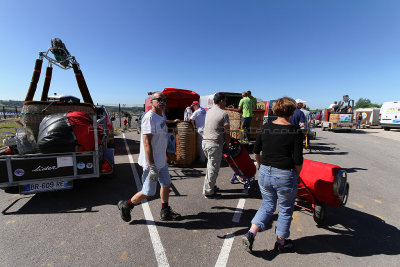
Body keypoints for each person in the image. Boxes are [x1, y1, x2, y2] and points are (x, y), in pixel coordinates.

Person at [242, 96, 303, 254]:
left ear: (276, 110)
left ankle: (251, 233)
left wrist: (260, 164)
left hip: (265, 172)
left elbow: (256, 151)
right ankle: (280, 243)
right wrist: (296, 176)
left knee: (267, 205)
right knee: (285, 209)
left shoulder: (266, 127)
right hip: (284, 174)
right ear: (292, 111)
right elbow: (297, 160)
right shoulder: (295, 131)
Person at [118, 92, 182, 222]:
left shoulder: (161, 115)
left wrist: (173, 123)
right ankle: (126, 205)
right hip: (152, 163)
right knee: (148, 192)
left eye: (164, 99)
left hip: (161, 161)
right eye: (159, 99)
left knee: (166, 184)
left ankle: (165, 211)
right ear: (152, 102)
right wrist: (152, 165)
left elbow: (163, 123)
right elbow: (147, 143)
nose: (162, 101)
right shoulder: (149, 118)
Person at [202, 92, 230, 199]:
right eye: (225, 101)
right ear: (221, 101)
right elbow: (227, 132)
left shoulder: (208, 112)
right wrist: (227, 145)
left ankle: (210, 186)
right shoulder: (224, 114)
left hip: (205, 143)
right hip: (214, 144)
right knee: (213, 168)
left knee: (210, 167)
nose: (226, 103)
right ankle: (209, 192)